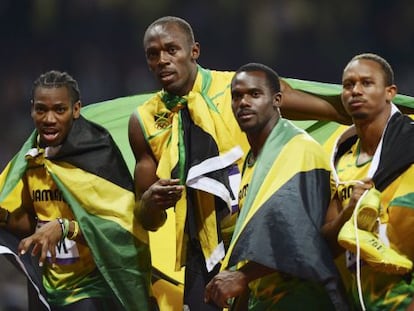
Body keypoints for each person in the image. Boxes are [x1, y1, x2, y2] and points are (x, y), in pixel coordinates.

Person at [128, 16, 353, 310]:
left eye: (172, 50)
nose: (163, 60)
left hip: (259, 237)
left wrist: (389, 113)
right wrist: (153, 203)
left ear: (194, 51)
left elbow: (333, 110)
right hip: (203, 252)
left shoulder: (242, 90)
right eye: (153, 54)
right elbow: (146, 217)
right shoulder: (143, 121)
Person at [0, 70, 152, 310]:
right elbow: (33, 223)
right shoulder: (31, 160)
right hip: (46, 287)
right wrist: (5, 217)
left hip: (91, 288)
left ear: (76, 109)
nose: (49, 119)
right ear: (32, 109)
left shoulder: (97, 156)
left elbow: (121, 227)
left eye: (59, 110)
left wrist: (65, 228)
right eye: (41, 109)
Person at [203, 63, 349, 310]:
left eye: (254, 94)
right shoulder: (251, 165)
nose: (244, 103)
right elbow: (256, 246)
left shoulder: (298, 149)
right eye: (237, 96)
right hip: (266, 301)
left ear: (277, 99)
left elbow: (302, 237)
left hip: (305, 299)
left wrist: (243, 276)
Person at [321, 53, 414, 310]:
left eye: (366, 83)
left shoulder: (411, 144)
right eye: (348, 85)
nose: (356, 91)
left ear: (390, 92)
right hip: (362, 301)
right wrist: (348, 212)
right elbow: (326, 246)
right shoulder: (339, 161)